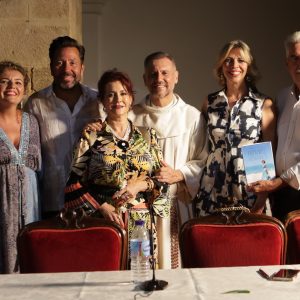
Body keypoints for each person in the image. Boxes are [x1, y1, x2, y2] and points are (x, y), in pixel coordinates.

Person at [64, 69, 170, 265]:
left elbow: (162, 180)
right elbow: (72, 185)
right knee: (105, 278)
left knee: (140, 274)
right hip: (103, 223)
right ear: (103, 101)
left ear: (131, 99)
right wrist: (102, 207)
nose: (117, 99)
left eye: (123, 93)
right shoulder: (91, 136)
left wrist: (140, 185)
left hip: (140, 223)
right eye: (110, 94)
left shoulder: (147, 136)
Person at [129, 52, 207, 269]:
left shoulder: (191, 117)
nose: (159, 78)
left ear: (176, 77)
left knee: (175, 269)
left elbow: (203, 160)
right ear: (145, 79)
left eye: (165, 73)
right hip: (140, 208)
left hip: (176, 205)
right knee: (140, 268)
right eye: (153, 74)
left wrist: (179, 174)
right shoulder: (131, 117)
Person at [24, 36, 105, 218]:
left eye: (73, 63)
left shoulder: (98, 101)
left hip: (92, 199)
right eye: (60, 62)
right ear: (51, 67)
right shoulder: (36, 103)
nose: (67, 69)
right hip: (52, 198)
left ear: (82, 67)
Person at [195, 40, 276, 217]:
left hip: (249, 189)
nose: (234, 65)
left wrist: (262, 197)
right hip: (212, 188)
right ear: (221, 66)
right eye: (228, 60)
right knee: (211, 242)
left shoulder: (263, 104)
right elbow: (201, 148)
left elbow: (270, 154)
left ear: (248, 66)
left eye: (240, 60)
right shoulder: (209, 102)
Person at [248, 31, 300, 222]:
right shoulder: (282, 97)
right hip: (281, 195)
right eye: (293, 58)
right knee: (283, 250)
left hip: (293, 187)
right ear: (287, 63)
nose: (299, 64)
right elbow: (271, 143)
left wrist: (277, 182)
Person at [0, 61, 41, 273]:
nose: (11, 87)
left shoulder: (32, 122)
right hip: (2, 206)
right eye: (4, 81)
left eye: (17, 82)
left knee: (30, 262)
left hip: (31, 206)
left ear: (24, 88)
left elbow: (38, 168)